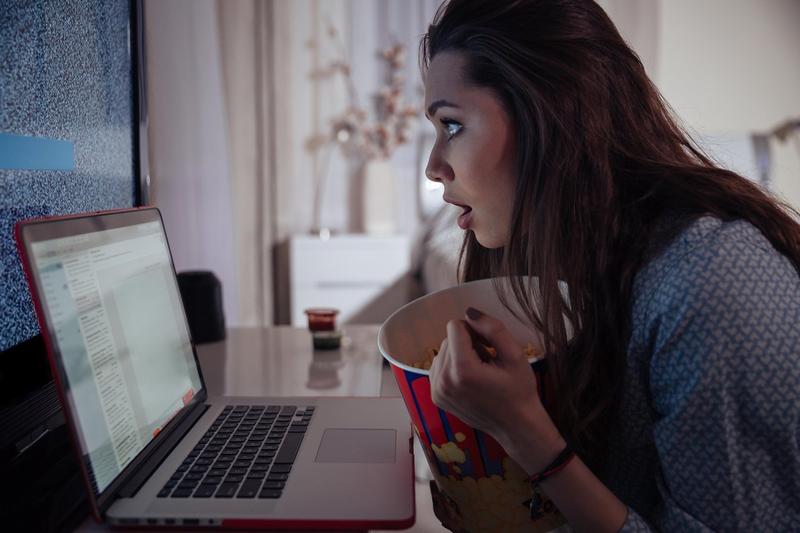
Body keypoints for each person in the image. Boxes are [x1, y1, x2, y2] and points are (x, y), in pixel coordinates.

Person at [420, 0, 800, 531]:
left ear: (547, 112)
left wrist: (526, 434)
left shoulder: (712, 281)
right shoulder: (557, 261)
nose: (434, 167)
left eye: (452, 126)